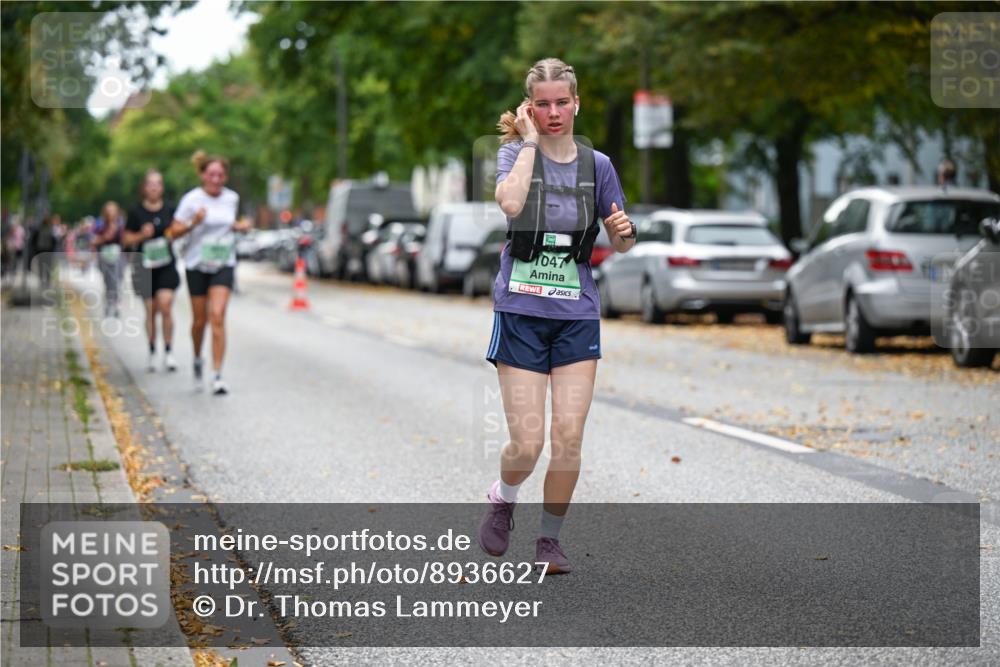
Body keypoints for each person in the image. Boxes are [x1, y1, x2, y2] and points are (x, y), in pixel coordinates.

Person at [478, 58, 636, 574]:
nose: (553, 112)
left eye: (561, 102)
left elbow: (622, 241)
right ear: (530, 108)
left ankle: (550, 541)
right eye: (542, 104)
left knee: (568, 437)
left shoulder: (599, 165)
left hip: (576, 315)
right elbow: (510, 203)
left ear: (576, 103)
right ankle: (503, 497)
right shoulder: (511, 154)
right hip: (521, 311)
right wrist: (526, 144)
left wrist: (623, 230)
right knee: (528, 442)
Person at [168, 151, 250, 395]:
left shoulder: (231, 199)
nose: (216, 179)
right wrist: (194, 221)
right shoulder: (191, 200)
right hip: (196, 265)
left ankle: (217, 375)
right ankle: (196, 358)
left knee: (217, 315)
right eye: (212, 174)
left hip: (224, 262)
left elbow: (228, 223)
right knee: (199, 321)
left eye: (221, 175)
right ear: (203, 175)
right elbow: (173, 232)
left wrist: (241, 227)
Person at [123, 169, 180, 373]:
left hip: (166, 265)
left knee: (165, 306)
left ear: (162, 187)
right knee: (151, 310)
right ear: (144, 188)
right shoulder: (136, 212)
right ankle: (152, 350)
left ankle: (169, 350)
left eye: (158, 183)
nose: (154, 187)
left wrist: (174, 234)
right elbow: (126, 239)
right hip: (144, 268)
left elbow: (178, 231)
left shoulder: (171, 210)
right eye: (150, 183)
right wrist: (141, 235)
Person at [92, 202, 125, 318]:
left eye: (113, 211)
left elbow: (126, 241)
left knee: (116, 281)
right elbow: (93, 241)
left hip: (118, 257)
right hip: (105, 256)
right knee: (108, 282)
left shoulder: (121, 226)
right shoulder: (100, 226)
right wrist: (104, 238)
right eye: (109, 211)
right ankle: (108, 303)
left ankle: (116, 304)